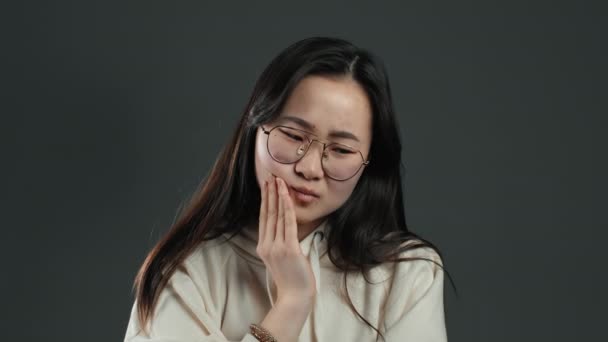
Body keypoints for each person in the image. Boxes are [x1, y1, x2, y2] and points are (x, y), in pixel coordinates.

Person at [123, 36, 450, 342]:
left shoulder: (406, 275)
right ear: (255, 129)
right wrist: (292, 303)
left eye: (341, 151)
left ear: (369, 165)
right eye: (293, 136)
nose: (309, 168)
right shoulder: (185, 271)